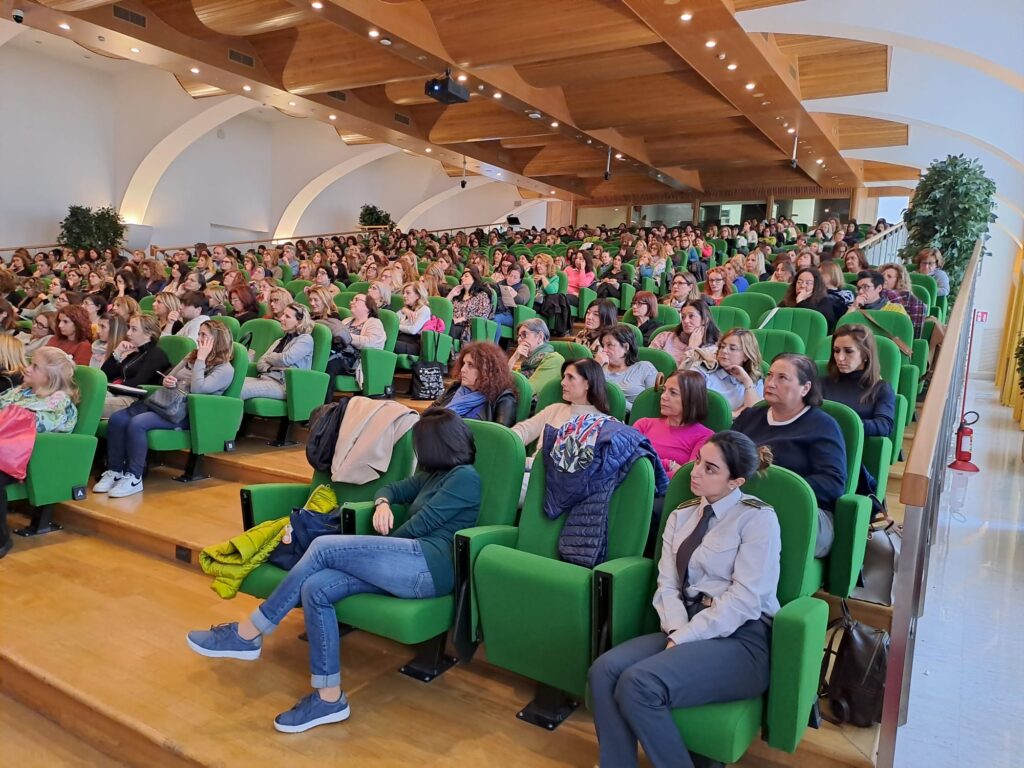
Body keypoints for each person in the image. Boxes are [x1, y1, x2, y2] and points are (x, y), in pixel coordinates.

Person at [186, 408, 482, 733]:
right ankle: (329, 697)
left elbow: (417, 528)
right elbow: (394, 489)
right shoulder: (433, 475)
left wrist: (367, 553)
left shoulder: (465, 478)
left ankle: (248, 634)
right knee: (318, 587)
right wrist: (382, 504)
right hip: (404, 562)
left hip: (428, 567)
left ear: (435, 446)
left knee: (325, 546)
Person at [588, 431, 778, 768]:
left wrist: (685, 637)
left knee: (638, 684)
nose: (695, 472)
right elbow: (668, 584)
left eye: (710, 468)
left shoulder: (757, 518)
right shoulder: (682, 514)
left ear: (735, 482)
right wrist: (678, 631)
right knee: (604, 671)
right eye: (697, 461)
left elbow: (746, 599)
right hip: (685, 625)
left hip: (742, 640)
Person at [94, 321, 236, 498]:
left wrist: (201, 359)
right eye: (198, 334)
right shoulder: (190, 356)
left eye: (204, 335)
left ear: (217, 340)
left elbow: (199, 389)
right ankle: (115, 471)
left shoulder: (225, 368)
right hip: (166, 403)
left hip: (187, 413)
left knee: (138, 423)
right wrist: (169, 381)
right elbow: (169, 377)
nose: (198, 339)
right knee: (118, 418)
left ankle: (134, 476)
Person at [732, 353, 846, 557]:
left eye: (782, 378)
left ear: (805, 388)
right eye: (769, 375)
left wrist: (779, 490)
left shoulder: (823, 426)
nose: (771, 383)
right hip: (745, 503)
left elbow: (833, 483)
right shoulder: (750, 416)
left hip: (803, 511)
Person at [0, 347, 81, 558]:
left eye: (35, 366)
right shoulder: (21, 391)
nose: (26, 369)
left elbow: (34, 426)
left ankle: (1, 539)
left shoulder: (59, 401)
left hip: (26, 457)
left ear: (50, 377)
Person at [632, 370, 713, 479]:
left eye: (673, 392)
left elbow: (686, 478)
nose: (663, 397)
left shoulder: (705, 436)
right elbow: (628, 461)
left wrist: (645, 474)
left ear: (691, 399)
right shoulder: (643, 424)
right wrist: (669, 464)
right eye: (664, 390)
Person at [822, 325, 896, 441]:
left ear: (865, 355)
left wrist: (847, 425)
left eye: (848, 351)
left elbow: (884, 426)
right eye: (836, 351)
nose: (840, 358)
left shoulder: (880, 388)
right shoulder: (821, 383)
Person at [101, 313, 171, 416]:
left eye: (134, 329)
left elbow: (139, 383)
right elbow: (105, 375)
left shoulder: (156, 355)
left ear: (148, 334)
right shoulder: (136, 353)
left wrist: (112, 387)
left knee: (89, 403)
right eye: (129, 328)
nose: (128, 333)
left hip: (134, 401)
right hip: (117, 394)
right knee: (82, 397)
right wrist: (117, 352)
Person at [241, 303, 315, 401]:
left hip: (284, 386)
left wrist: (270, 359)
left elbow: (286, 359)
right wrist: (275, 364)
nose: (281, 318)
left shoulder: (305, 339)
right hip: (265, 379)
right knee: (231, 385)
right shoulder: (280, 340)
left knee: (240, 390)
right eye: (283, 314)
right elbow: (260, 363)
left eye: (287, 316)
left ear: (299, 322)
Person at [434, 342, 517, 426]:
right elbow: (429, 414)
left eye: (470, 365)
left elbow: (501, 437)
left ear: (487, 370)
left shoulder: (504, 398)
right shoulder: (456, 387)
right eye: (463, 363)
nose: (463, 369)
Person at [696, 328, 764, 416]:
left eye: (732, 348)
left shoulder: (756, 380)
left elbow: (753, 414)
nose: (724, 351)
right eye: (722, 346)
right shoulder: (704, 369)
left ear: (746, 356)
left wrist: (746, 381)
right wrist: (734, 414)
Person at [595, 324, 658, 412]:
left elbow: (651, 409)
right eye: (603, 345)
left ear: (626, 347)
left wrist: (616, 400)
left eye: (609, 345)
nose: (604, 350)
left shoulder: (645, 368)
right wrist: (595, 366)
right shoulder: (599, 367)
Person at [650, 299, 720, 370]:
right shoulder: (665, 337)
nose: (686, 321)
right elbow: (647, 363)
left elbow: (685, 377)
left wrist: (692, 348)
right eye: (683, 317)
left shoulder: (713, 349)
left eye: (691, 316)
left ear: (705, 320)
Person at [508, 318, 565, 399]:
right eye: (519, 336)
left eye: (524, 335)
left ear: (540, 337)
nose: (519, 340)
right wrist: (513, 358)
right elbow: (503, 384)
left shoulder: (553, 359)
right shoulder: (527, 362)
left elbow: (528, 393)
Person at [781, 267, 839, 332]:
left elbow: (828, 323)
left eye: (808, 283)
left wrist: (801, 302)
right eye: (799, 282)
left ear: (816, 286)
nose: (802, 285)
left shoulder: (823, 300)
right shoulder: (789, 299)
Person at [880, 262, 928, 337]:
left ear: (899, 281)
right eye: (882, 275)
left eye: (889, 276)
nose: (884, 278)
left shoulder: (906, 298)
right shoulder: (870, 294)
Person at [448, 267, 494, 344]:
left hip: (468, 328)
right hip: (452, 323)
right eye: (462, 276)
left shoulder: (482, 295)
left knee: (449, 328)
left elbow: (482, 315)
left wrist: (463, 318)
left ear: (474, 279)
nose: (462, 278)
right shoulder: (458, 295)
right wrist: (451, 294)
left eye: (466, 276)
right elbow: (445, 310)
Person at [393, 281, 431, 356]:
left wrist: (397, 326)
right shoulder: (405, 310)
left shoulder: (424, 309)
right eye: (403, 293)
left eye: (408, 293)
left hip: (413, 344)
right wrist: (403, 310)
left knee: (388, 343)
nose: (404, 295)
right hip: (400, 339)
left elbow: (413, 330)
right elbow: (392, 322)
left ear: (417, 295)